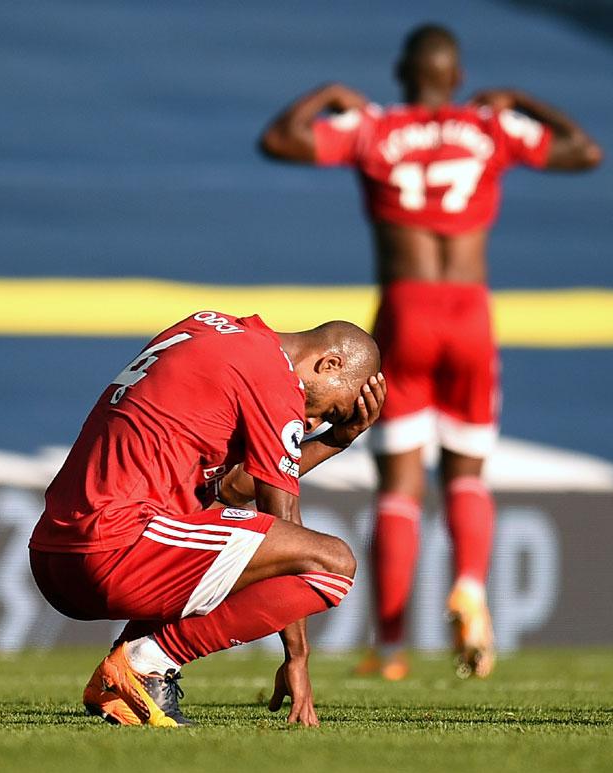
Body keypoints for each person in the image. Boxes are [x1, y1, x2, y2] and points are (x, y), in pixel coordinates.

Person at [259, 24, 601, 680]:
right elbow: (584, 150)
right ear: (457, 74)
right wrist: (524, 102)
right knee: (468, 471)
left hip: (406, 310)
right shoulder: (487, 129)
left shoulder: (375, 129)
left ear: (400, 72)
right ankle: (470, 583)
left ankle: (389, 648)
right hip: (469, 309)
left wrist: (325, 94)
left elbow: (279, 140)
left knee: (400, 483)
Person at [29, 310, 385, 728]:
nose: (314, 422)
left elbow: (233, 489)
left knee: (209, 516)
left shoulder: (208, 327)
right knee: (332, 564)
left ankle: (119, 687)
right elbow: (282, 516)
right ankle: (146, 664)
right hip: (111, 548)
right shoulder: (272, 373)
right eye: (334, 411)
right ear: (330, 364)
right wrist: (298, 657)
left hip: (55, 554)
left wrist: (335, 442)